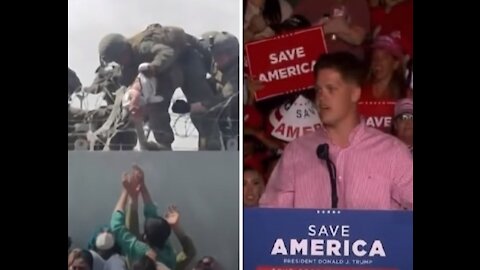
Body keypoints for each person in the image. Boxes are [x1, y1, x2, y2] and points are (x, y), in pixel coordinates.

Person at [259, 52, 413, 210]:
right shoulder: (296, 152)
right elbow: (271, 218)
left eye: (331, 89)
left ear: (355, 93)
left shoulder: (392, 153)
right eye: (318, 90)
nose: (321, 97)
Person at [97, 24, 217, 150]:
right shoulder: (126, 65)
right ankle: (164, 145)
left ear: (124, 51)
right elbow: (128, 83)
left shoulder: (143, 47)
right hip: (166, 70)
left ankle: (211, 143)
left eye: (119, 58)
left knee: (201, 104)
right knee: (155, 104)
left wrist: (154, 67)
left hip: (186, 59)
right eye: (115, 60)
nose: (119, 62)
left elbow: (167, 52)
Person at [110, 165, 176, 268]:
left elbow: (116, 226)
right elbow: (154, 218)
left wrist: (126, 191)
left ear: (144, 237)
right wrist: (143, 187)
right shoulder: (169, 254)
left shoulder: (140, 251)